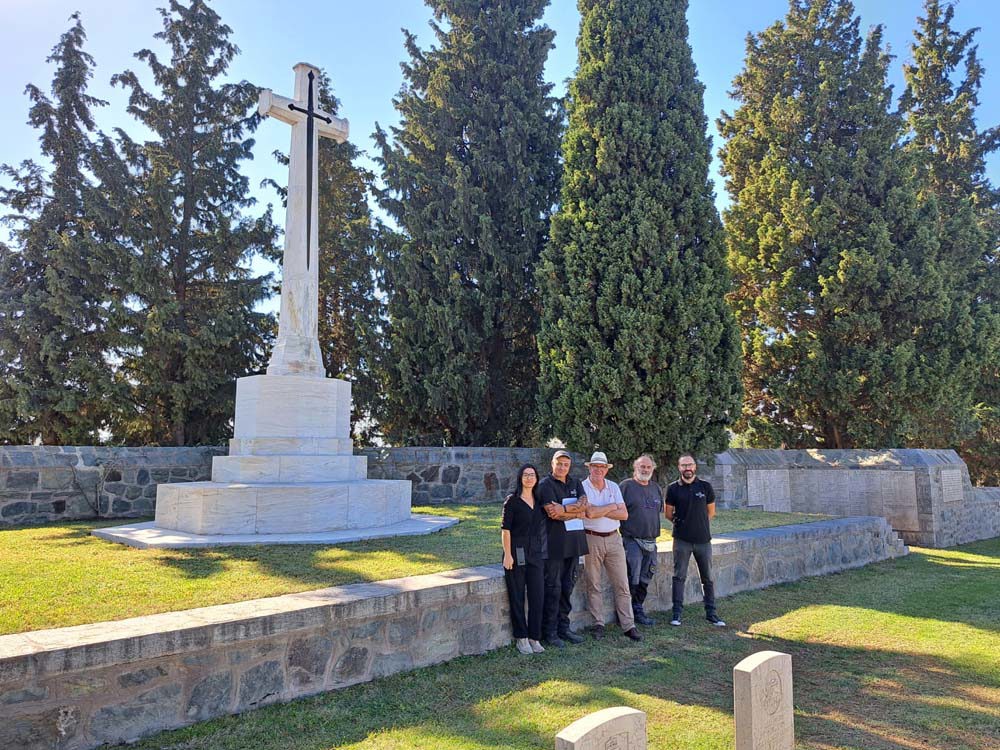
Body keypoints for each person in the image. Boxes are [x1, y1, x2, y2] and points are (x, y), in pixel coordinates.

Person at [581, 451, 643, 642]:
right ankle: (598, 623)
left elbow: (624, 515)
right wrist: (611, 507)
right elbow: (590, 513)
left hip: (614, 539)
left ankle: (628, 625)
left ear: (606, 470)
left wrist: (603, 510)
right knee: (594, 584)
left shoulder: (613, 487)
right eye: (595, 466)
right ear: (590, 467)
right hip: (591, 539)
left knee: (622, 583)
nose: (598, 470)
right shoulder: (582, 487)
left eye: (602, 467)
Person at [665, 453, 726, 627]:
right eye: (683, 465)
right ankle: (676, 614)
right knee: (679, 577)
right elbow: (668, 514)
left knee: (707, 578)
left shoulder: (705, 487)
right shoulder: (673, 488)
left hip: (703, 541)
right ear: (679, 468)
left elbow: (711, 513)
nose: (687, 468)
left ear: (695, 467)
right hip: (681, 541)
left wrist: (698, 524)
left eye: (690, 465)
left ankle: (711, 613)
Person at [538, 449, 589, 648]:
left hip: (574, 544)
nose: (562, 467)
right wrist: (576, 512)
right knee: (553, 588)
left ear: (570, 466)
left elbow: (585, 505)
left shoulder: (576, 483)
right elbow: (552, 514)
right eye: (559, 463)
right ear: (552, 464)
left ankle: (564, 628)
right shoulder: (544, 485)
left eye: (566, 464)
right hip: (553, 546)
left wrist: (566, 509)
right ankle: (550, 632)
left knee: (567, 586)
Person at [501, 464, 548, 654]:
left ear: (536, 478)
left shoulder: (538, 500)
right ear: (520, 478)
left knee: (538, 596)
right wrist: (508, 555)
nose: (529, 478)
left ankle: (534, 637)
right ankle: (521, 638)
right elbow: (505, 530)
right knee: (517, 596)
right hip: (516, 552)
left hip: (536, 553)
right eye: (525, 475)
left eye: (532, 475)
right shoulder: (512, 501)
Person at [620, 454, 663, 626]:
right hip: (632, 540)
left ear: (653, 469)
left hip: (651, 541)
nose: (645, 470)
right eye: (641, 467)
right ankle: (626, 613)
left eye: (648, 467)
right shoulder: (626, 486)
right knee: (633, 576)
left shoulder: (656, 488)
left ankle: (638, 609)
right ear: (635, 468)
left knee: (647, 576)